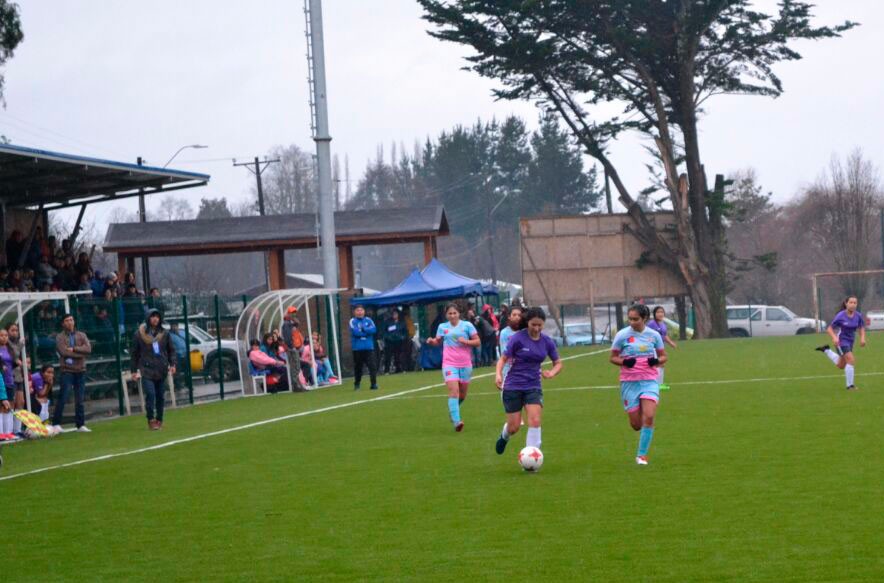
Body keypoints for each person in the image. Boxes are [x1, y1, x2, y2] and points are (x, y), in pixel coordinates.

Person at [494, 306, 562, 455]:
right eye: (533, 325)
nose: (537, 328)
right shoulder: (518, 338)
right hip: (513, 386)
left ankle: (531, 457)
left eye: (540, 325)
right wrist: (498, 375)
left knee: (535, 421)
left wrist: (552, 373)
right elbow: (503, 359)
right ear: (528, 322)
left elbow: (558, 363)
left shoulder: (547, 342)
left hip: (533, 386)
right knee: (514, 427)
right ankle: (504, 436)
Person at [610, 304, 667, 466]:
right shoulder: (622, 335)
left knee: (649, 416)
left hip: (649, 381)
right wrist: (624, 361)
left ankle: (641, 455)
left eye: (636, 319)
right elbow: (612, 358)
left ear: (644, 319)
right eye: (630, 319)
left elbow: (664, 356)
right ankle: (639, 415)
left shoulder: (654, 335)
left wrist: (656, 360)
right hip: (629, 383)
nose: (632, 322)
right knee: (636, 425)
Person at [426, 303, 480, 432]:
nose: (452, 315)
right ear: (446, 315)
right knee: (453, 391)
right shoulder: (442, 327)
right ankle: (457, 422)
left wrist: (466, 341)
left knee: (462, 395)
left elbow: (477, 342)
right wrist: (432, 341)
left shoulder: (467, 325)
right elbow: (437, 341)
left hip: (465, 364)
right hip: (449, 363)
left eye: (454, 313)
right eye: (449, 313)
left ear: (459, 313)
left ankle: (453, 410)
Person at [131, 309, 177, 430]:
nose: (155, 319)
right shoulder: (139, 334)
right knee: (150, 394)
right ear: (148, 318)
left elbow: (171, 350)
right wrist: (133, 371)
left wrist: (172, 364)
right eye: (152, 316)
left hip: (161, 369)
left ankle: (159, 419)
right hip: (146, 369)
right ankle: (151, 419)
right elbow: (134, 354)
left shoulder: (165, 334)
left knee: (161, 396)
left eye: (157, 316)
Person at [52, 314, 93, 433]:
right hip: (67, 371)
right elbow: (63, 352)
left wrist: (74, 349)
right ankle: (56, 423)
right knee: (63, 397)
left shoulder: (82, 335)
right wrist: (81, 353)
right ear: (63, 323)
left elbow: (88, 349)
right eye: (67, 320)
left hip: (81, 370)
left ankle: (80, 424)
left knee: (80, 399)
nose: (70, 322)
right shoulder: (60, 337)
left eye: (71, 320)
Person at [816, 296, 866, 390]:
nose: (853, 305)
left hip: (851, 341)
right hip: (841, 341)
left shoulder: (858, 315)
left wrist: (862, 338)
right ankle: (850, 386)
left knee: (841, 365)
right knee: (851, 360)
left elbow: (861, 327)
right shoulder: (840, 315)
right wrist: (834, 337)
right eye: (851, 302)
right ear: (846, 303)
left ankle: (826, 350)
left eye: (855, 303)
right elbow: (829, 328)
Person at [647, 306, 677, 391]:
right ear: (654, 314)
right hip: (653, 347)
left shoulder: (663, 324)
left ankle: (658, 384)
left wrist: (671, 343)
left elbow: (664, 335)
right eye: (658, 312)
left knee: (660, 364)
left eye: (661, 312)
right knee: (659, 364)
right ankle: (658, 384)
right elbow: (647, 334)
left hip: (660, 347)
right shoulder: (651, 324)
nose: (660, 314)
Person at [349, 304, 378, 390]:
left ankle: (374, 384)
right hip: (357, 348)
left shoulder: (369, 320)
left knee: (372, 367)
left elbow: (373, 330)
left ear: (364, 311)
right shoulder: (352, 321)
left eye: (361, 310)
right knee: (358, 367)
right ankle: (357, 384)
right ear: (354, 312)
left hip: (369, 348)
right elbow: (356, 333)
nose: (360, 312)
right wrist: (366, 332)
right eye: (358, 310)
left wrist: (364, 329)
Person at [281, 307, 307, 392]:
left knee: (296, 366)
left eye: (295, 313)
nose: (294, 314)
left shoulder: (289, 323)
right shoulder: (286, 324)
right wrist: (291, 347)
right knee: (295, 366)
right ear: (288, 313)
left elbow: (296, 324)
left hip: (292, 347)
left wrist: (294, 320)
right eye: (292, 313)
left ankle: (297, 385)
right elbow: (287, 337)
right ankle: (296, 385)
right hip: (291, 348)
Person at [498, 306, 524, 383]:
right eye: (514, 315)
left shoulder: (524, 331)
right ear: (509, 317)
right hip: (508, 369)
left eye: (519, 315)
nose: (517, 317)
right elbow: (505, 352)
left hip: (523, 369)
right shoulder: (504, 332)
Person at [0, 328, 16, 438]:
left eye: (6, 335)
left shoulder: (10, 348)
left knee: (10, 405)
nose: (4, 337)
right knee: (2, 406)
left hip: (10, 379)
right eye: (1, 335)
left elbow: (14, 361)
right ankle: (2, 433)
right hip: (2, 380)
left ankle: (9, 432)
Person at [382, 310, 407, 374]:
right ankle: (386, 370)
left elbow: (405, 332)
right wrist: (388, 337)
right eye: (393, 314)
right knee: (388, 356)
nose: (395, 315)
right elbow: (384, 332)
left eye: (396, 314)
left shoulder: (402, 322)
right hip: (390, 342)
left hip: (399, 342)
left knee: (399, 356)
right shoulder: (387, 322)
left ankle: (400, 369)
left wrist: (402, 337)